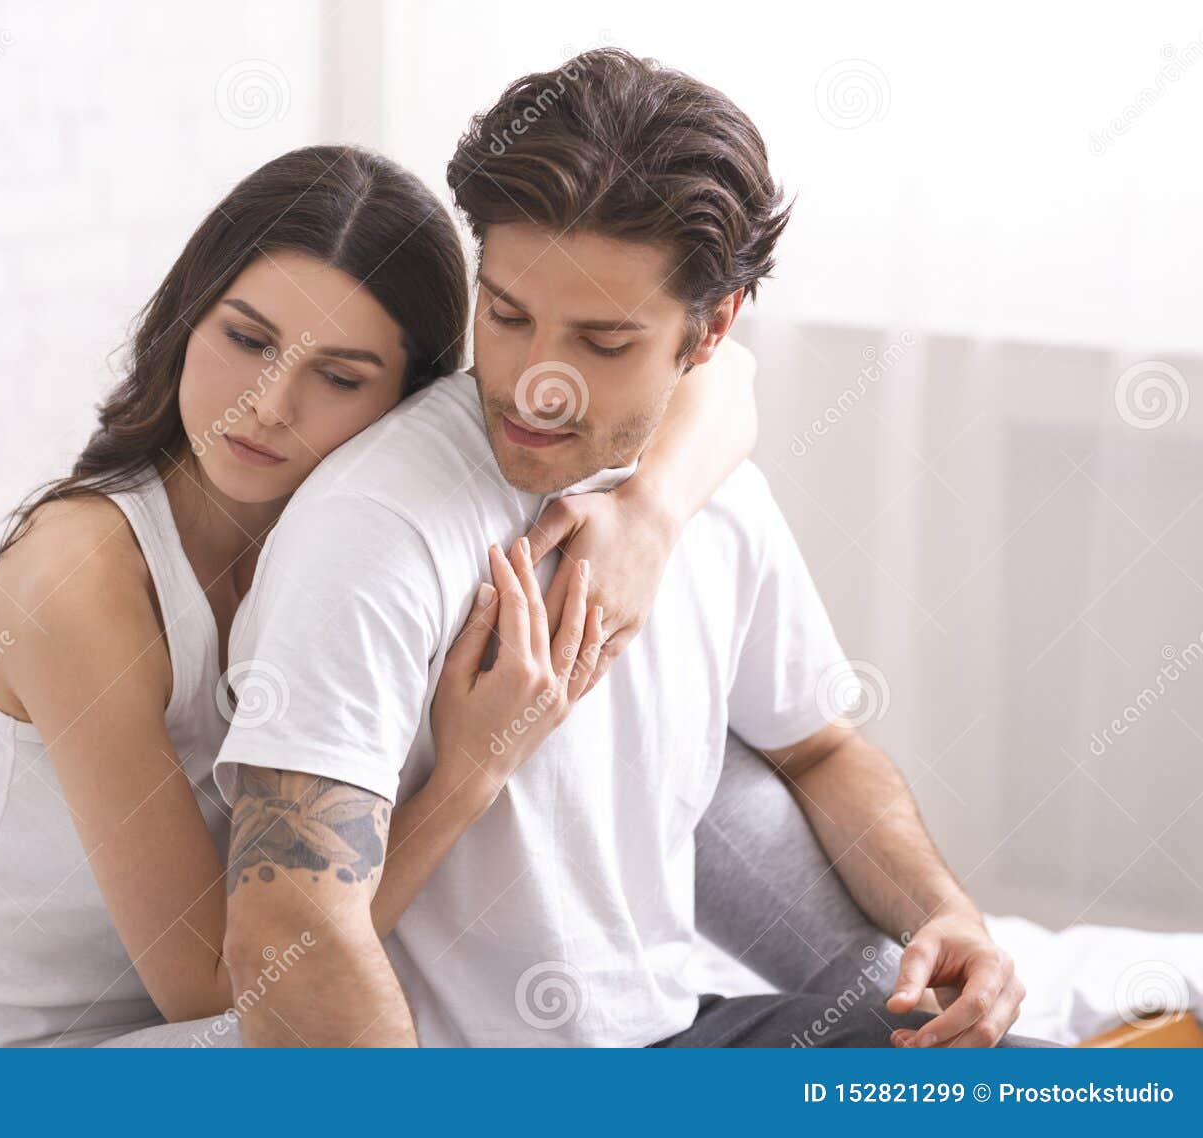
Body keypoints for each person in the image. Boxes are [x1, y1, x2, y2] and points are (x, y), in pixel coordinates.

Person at [211, 50, 1051, 1048]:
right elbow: (286, 930)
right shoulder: (378, 527)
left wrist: (945, 915)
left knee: (1056, 1084)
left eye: (602, 343)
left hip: (669, 1043)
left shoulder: (711, 495)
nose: (536, 383)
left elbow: (819, 748)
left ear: (710, 332)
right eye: (508, 316)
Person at [0, 142, 766, 1046]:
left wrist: (651, 512)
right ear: (189, 315)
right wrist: (472, 772)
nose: (268, 403)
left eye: (339, 377)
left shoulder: (343, 532)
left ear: (412, 405)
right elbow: (217, 983)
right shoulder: (78, 581)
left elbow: (725, 375)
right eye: (246, 339)